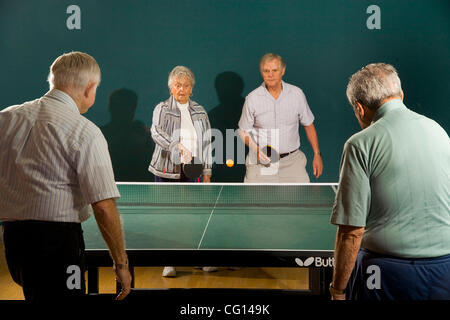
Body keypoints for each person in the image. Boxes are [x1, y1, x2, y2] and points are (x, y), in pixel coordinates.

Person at [0, 52, 132, 302]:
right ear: (90, 88)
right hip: (57, 243)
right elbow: (103, 206)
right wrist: (121, 264)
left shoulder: (6, 118)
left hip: (13, 240)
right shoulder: (85, 131)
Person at [330, 63, 450, 300]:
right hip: (445, 269)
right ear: (401, 95)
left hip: (388, 272)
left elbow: (351, 232)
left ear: (359, 108)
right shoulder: (438, 131)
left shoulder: (359, 144)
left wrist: (338, 290)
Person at [149, 65, 215, 277]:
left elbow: (206, 144)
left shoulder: (200, 111)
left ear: (191, 89)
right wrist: (176, 145)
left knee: (196, 216)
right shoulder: (162, 108)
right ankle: (170, 262)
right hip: (166, 170)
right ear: (171, 88)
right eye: (178, 85)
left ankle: (200, 259)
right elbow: (156, 133)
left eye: (186, 86)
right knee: (170, 216)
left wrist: (207, 172)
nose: (182, 89)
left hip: (192, 171)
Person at [238, 53, 323, 182]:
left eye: (274, 70)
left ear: (282, 71)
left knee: (301, 201)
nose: (270, 75)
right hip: (261, 163)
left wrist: (317, 154)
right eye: (266, 71)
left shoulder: (296, 94)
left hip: (292, 163)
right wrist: (255, 150)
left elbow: (308, 124)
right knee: (255, 201)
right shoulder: (252, 99)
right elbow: (242, 131)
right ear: (262, 72)